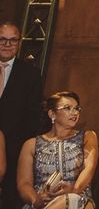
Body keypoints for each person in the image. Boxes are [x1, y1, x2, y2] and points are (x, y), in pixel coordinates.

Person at [17, 91, 98, 209]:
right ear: (52, 114)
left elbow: (89, 169)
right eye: (67, 108)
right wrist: (35, 200)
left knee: (72, 200)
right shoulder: (31, 144)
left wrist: (74, 190)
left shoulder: (88, 136)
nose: (74, 112)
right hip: (42, 204)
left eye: (77, 108)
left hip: (78, 202)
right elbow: (24, 183)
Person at [0, 22, 43, 209]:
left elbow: (33, 116)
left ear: (19, 43)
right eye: (2, 39)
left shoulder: (31, 74)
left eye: (13, 40)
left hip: (15, 150)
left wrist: (24, 150)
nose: (7, 44)